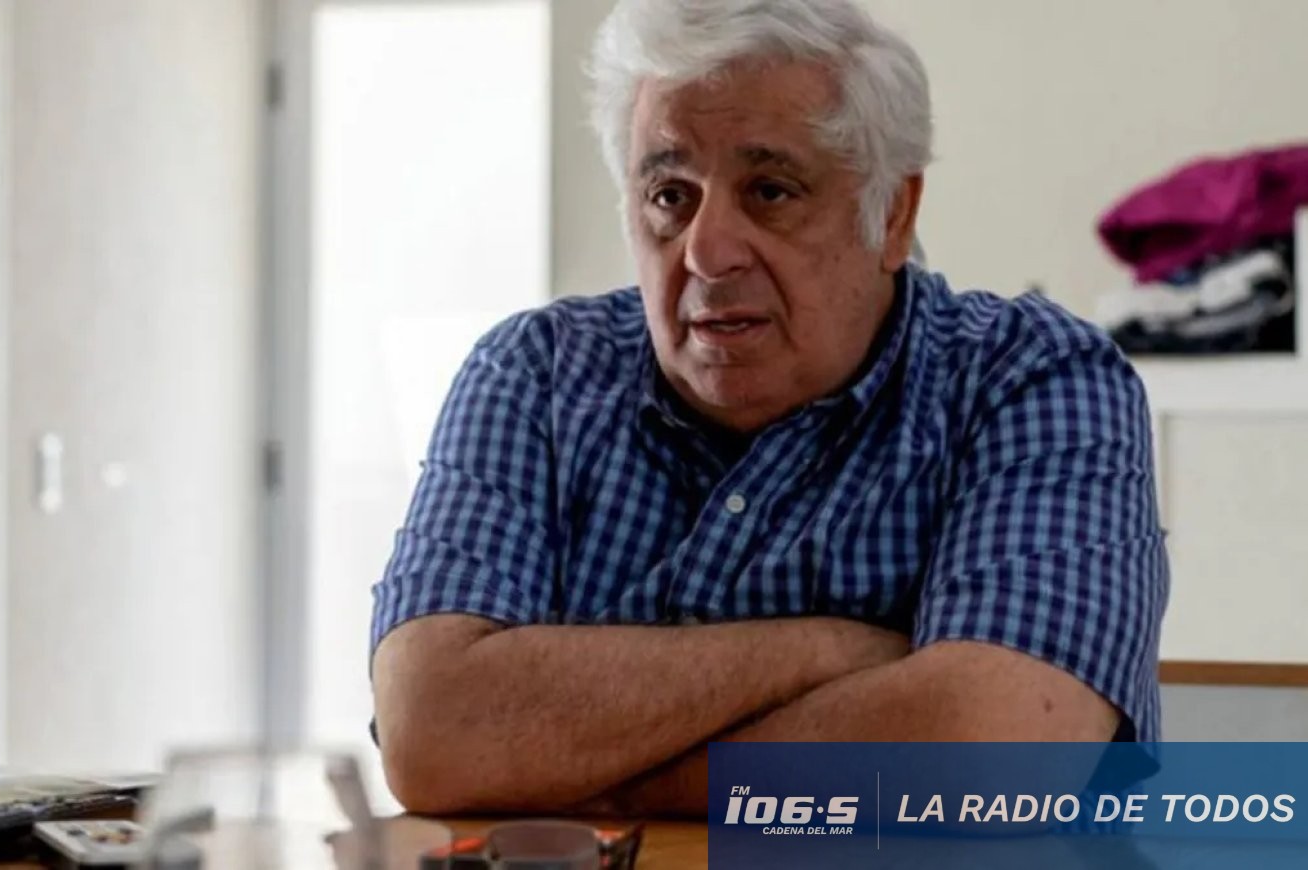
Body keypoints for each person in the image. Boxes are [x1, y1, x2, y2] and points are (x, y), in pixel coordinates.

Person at [368, 0, 1168, 817]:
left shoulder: (1032, 377)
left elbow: (994, 756)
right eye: (670, 196)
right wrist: (829, 650)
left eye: (771, 191)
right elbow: (433, 733)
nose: (708, 252)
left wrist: (593, 776)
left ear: (892, 214)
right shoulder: (534, 375)